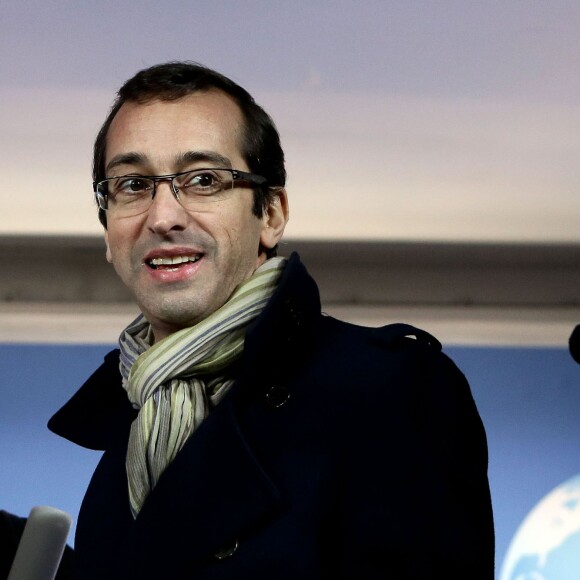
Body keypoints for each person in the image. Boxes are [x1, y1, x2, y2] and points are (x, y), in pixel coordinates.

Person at [48, 61, 494, 579]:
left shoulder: (388, 389)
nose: (163, 216)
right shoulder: (129, 432)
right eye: (132, 184)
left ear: (272, 214)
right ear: (107, 232)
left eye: (204, 180)